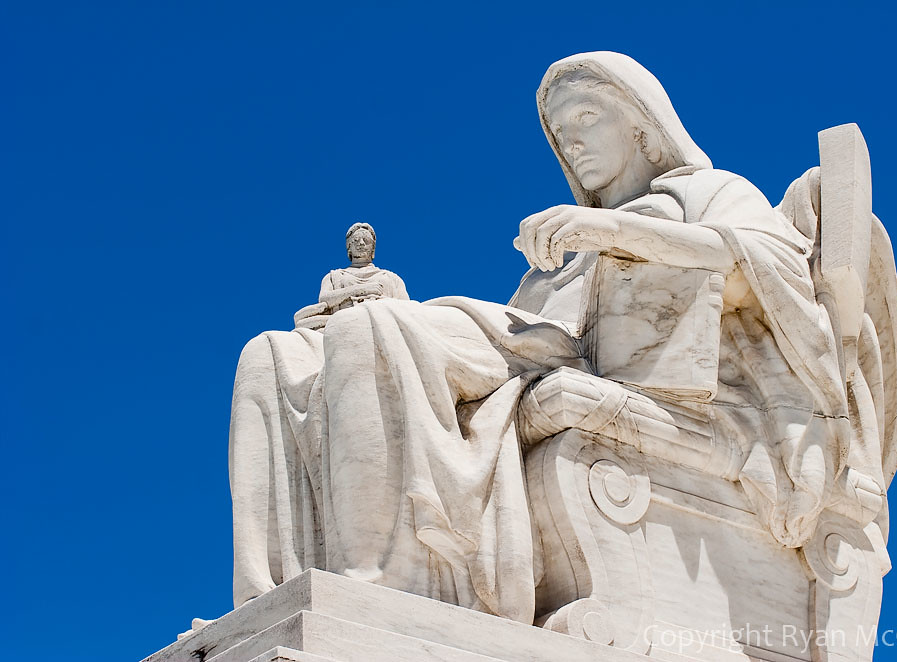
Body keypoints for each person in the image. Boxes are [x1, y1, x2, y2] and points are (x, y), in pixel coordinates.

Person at [303, 51, 849, 626]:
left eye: (586, 117)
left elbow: (762, 266)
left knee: (375, 329)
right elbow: (515, 333)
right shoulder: (560, 254)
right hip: (544, 350)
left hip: (619, 370)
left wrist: (616, 230)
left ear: (643, 123)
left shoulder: (708, 192)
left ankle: (387, 585)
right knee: (281, 358)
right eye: (561, 133)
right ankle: (290, 582)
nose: (572, 143)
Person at [229, 222, 407, 608]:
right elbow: (326, 306)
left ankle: (367, 563)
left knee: (356, 333)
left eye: (365, 240)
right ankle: (268, 574)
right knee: (264, 352)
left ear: (374, 246)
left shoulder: (390, 278)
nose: (360, 245)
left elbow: (406, 314)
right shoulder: (334, 277)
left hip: (376, 337)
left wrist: (360, 305)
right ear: (348, 248)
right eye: (354, 241)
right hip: (329, 333)